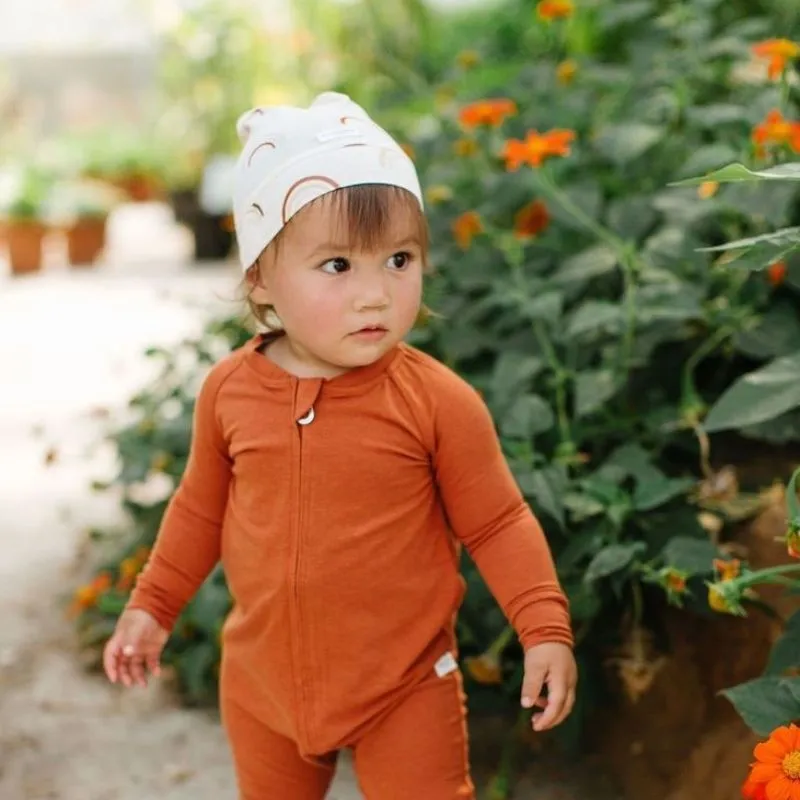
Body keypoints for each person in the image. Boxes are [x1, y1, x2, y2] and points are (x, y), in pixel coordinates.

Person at [103, 91, 577, 800]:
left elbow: (498, 521)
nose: (376, 295)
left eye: (399, 259)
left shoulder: (437, 402)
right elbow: (201, 508)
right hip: (263, 684)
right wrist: (152, 605)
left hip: (406, 683)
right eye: (337, 267)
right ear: (261, 278)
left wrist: (543, 628)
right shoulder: (230, 393)